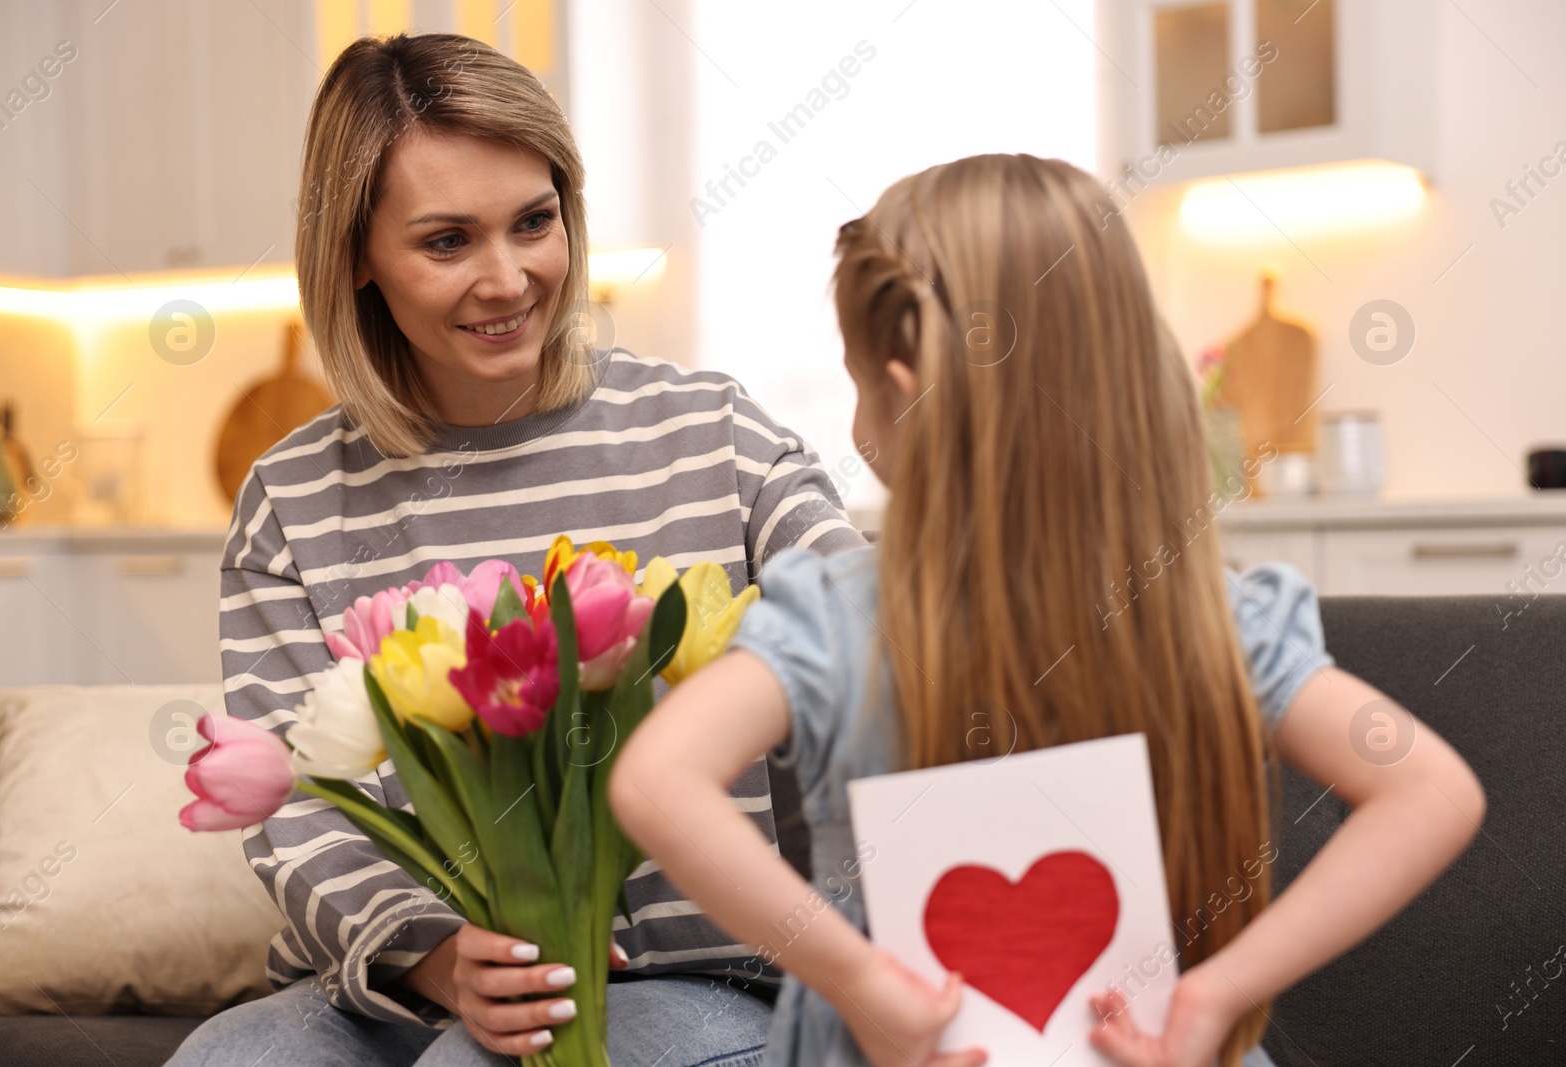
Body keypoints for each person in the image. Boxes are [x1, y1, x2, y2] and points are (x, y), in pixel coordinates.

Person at [608, 154, 1486, 1067]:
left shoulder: (832, 620)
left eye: (858, 380)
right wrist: (1217, 992)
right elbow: (1430, 789)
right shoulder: (1212, 618)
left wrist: (861, 984)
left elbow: (652, 781)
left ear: (908, 387)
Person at [167, 33, 863, 1067]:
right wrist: (444, 958)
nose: (509, 278)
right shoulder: (292, 497)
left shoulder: (712, 433)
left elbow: (876, 633)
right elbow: (296, 815)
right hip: (405, 987)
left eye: (534, 223)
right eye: (447, 242)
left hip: (702, 978)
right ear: (357, 254)